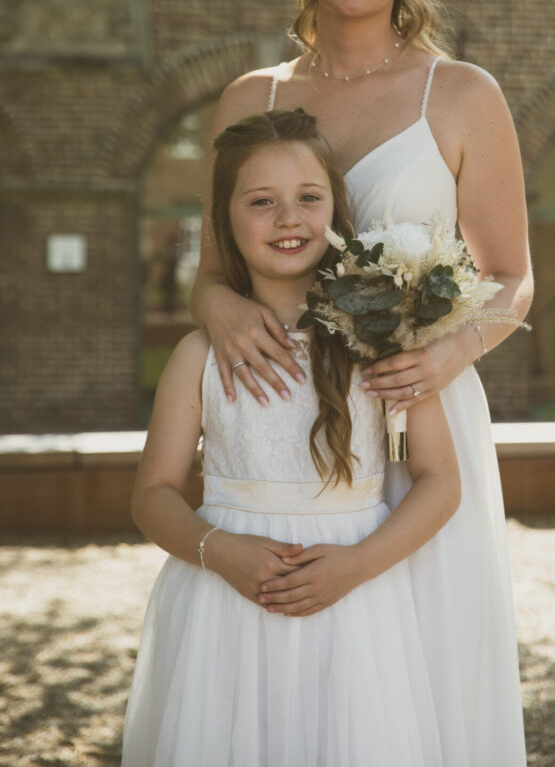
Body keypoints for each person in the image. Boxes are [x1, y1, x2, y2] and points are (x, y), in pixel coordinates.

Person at [190, 0, 533, 766]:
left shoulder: (461, 95)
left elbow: (510, 272)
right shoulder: (248, 97)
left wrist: (447, 356)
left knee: (418, 686)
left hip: (418, 404)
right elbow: (211, 261)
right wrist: (214, 308)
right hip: (280, 424)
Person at [122, 109, 462, 766]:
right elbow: (152, 494)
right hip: (224, 602)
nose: (288, 218)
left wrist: (358, 565)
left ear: (336, 210)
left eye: (308, 198)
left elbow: (440, 482)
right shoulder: (197, 355)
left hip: (355, 600)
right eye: (261, 201)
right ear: (224, 220)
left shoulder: (383, 341)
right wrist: (220, 551)